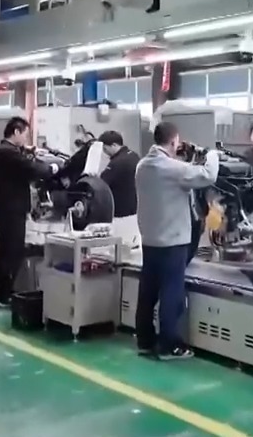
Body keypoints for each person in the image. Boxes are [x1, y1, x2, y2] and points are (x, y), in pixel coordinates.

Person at [134, 122, 219, 360]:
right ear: (173, 141)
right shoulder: (172, 168)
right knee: (172, 292)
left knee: (148, 291)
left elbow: (178, 177)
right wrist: (211, 154)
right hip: (172, 241)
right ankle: (169, 345)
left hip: (150, 239)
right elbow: (208, 175)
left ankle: (145, 341)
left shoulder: (143, 165)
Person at [0, 116, 56, 307]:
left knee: (5, 250)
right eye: (25, 134)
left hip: (8, 208)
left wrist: (28, 152)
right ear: (16, 132)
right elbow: (31, 168)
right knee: (12, 251)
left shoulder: (5, 151)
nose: (26, 139)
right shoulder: (7, 153)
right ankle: (3, 294)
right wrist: (51, 168)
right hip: (11, 209)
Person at [98, 130, 140, 247]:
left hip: (120, 211)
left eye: (105, 148)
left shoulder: (117, 163)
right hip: (134, 208)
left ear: (114, 145)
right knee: (132, 244)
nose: (105, 152)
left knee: (120, 246)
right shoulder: (134, 156)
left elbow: (101, 184)